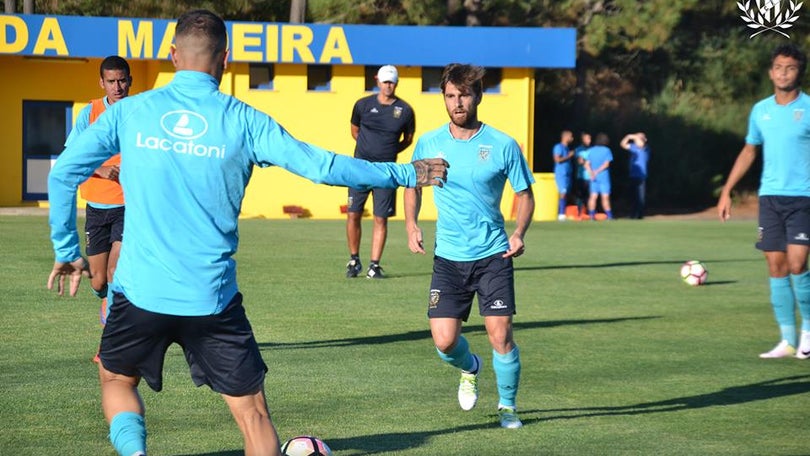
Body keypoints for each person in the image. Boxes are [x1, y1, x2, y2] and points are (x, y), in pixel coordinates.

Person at [45, 9, 448, 456]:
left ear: (173, 55)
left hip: (141, 293)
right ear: (226, 60)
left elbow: (63, 173)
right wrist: (406, 172)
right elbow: (323, 166)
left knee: (117, 380)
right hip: (211, 300)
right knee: (252, 415)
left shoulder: (133, 112)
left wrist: (66, 247)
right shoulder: (245, 120)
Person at [404, 63, 535, 429]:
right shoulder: (429, 143)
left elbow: (525, 194)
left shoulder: (502, 145)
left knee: (500, 334)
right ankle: (470, 367)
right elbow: (412, 185)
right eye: (450, 96)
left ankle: (508, 407)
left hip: (493, 254)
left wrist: (519, 232)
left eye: (463, 95)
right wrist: (411, 224)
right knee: (445, 342)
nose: (457, 103)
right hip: (448, 257)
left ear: (477, 95)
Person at [718, 43, 810, 360]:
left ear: (800, 72)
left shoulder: (809, 108)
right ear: (771, 73)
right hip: (770, 198)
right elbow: (748, 151)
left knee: (798, 263)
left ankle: (808, 332)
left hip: (804, 198)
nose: (784, 73)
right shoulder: (761, 110)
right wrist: (727, 189)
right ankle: (786, 340)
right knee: (775, 266)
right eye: (779, 67)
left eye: (791, 67)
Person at [65, 55, 132, 362]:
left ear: (129, 81)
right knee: (99, 281)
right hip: (96, 207)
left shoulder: (140, 112)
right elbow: (73, 156)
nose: (117, 86)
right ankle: (108, 302)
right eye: (111, 81)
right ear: (101, 82)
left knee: (116, 273)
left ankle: (108, 345)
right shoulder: (89, 112)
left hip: (129, 207)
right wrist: (101, 169)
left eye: (122, 80)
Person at [346, 65, 416, 278]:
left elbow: (408, 139)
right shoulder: (362, 105)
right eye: (385, 81)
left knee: (380, 218)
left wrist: (389, 151)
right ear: (377, 81)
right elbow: (354, 130)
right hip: (360, 168)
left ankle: (374, 265)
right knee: (353, 214)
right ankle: (354, 259)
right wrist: (369, 149)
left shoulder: (405, 110)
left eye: (392, 82)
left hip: (386, 171)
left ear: (396, 83)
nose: (388, 85)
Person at [620, 132, 650, 219]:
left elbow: (642, 143)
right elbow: (622, 144)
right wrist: (627, 137)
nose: (636, 140)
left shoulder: (645, 148)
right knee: (633, 196)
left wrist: (635, 136)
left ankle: (640, 214)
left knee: (640, 196)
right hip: (633, 175)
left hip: (641, 175)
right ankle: (633, 214)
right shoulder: (634, 147)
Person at [585, 133, 614, 220]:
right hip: (603, 177)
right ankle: (609, 216)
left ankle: (591, 215)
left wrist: (591, 173)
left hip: (593, 178)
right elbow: (606, 164)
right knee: (605, 197)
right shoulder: (607, 150)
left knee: (593, 196)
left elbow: (586, 164)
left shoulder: (591, 150)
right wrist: (597, 171)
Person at [552, 130, 574, 221]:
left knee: (566, 193)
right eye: (571, 136)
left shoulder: (567, 148)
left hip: (568, 174)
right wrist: (569, 156)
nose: (572, 138)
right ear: (565, 137)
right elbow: (557, 159)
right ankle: (561, 214)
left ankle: (563, 212)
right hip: (561, 174)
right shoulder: (558, 147)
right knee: (563, 193)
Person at [574, 131, 592, 219]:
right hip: (581, 176)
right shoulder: (579, 150)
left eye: (590, 138)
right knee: (580, 195)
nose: (589, 140)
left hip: (590, 176)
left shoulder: (592, 149)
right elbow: (579, 161)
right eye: (587, 138)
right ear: (583, 140)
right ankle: (579, 212)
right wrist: (586, 162)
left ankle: (589, 213)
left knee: (590, 196)